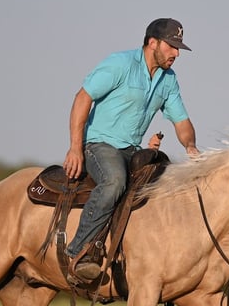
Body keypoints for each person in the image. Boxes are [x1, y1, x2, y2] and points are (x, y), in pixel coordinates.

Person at [63, 17, 200, 282]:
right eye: (171, 46)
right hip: (100, 145)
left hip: (133, 150)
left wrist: (191, 146)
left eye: (178, 48)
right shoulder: (120, 64)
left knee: (167, 186)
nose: (176, 53)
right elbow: (83, 97)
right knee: (115, 181)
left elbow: (181, 121)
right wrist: (75, 148)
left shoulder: (169, 80)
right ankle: (79, 251)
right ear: (152, 43)